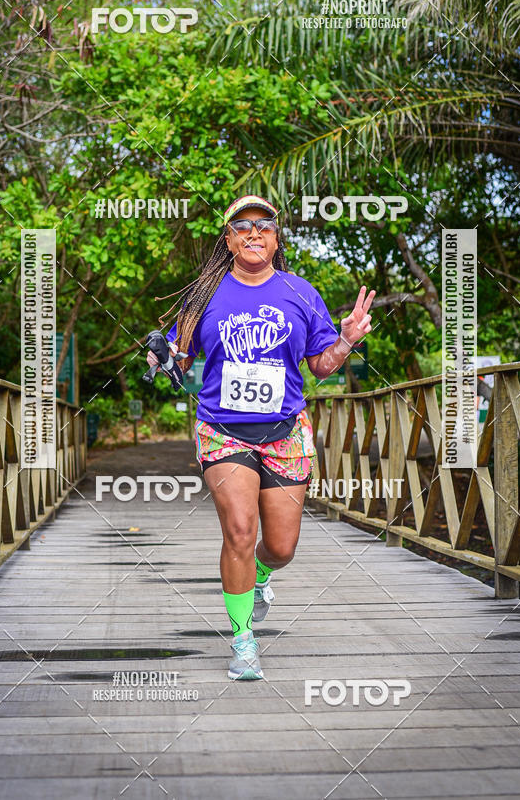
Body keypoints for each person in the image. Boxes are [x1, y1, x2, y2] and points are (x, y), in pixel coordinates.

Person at [146, 195, 375, 680]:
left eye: (264, 225)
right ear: (228, 239)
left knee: (281, 547)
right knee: (240, 531)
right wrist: (162, 357)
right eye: (242, 225)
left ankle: (263, 575)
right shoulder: (204, 297)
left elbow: (321, 365)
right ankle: (243, 642)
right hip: (223, 432)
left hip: (285, 434)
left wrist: (349, 338)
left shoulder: (300, 293)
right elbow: (178, 363)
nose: (254, 232)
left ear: (276, 239)